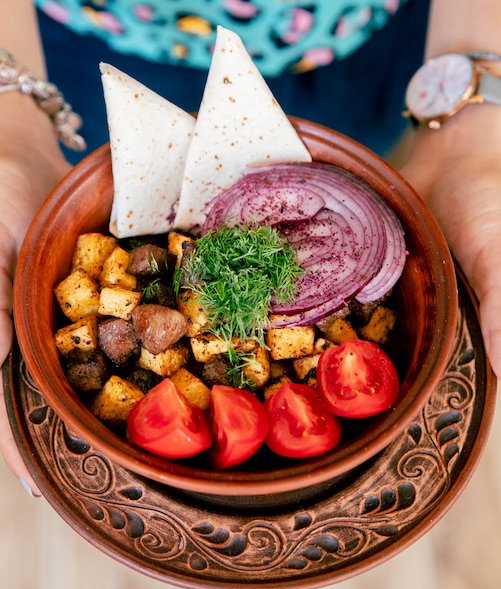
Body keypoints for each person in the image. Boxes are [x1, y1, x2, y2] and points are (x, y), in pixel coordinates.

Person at [1, 0, 501, 498]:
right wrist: (12, 127)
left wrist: (473, 134)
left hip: (363, 47)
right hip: (86, 47)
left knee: (373, 138)